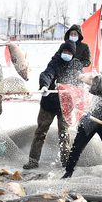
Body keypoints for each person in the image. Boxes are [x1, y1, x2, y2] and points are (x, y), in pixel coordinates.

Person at [23, 41, 84, 169]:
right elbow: (47, 74)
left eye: (69, 53)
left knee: (64, 134)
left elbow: (80, 82)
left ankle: (66, 161)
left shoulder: (76, 66)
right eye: (64, 52)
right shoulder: (55, 61)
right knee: (40, 132)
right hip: (49, 104)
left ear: (73, 54)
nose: (66, 54)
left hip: (65, 105)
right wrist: (44, 86)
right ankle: (33, 161)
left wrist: (76, 92)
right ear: (61, 51)